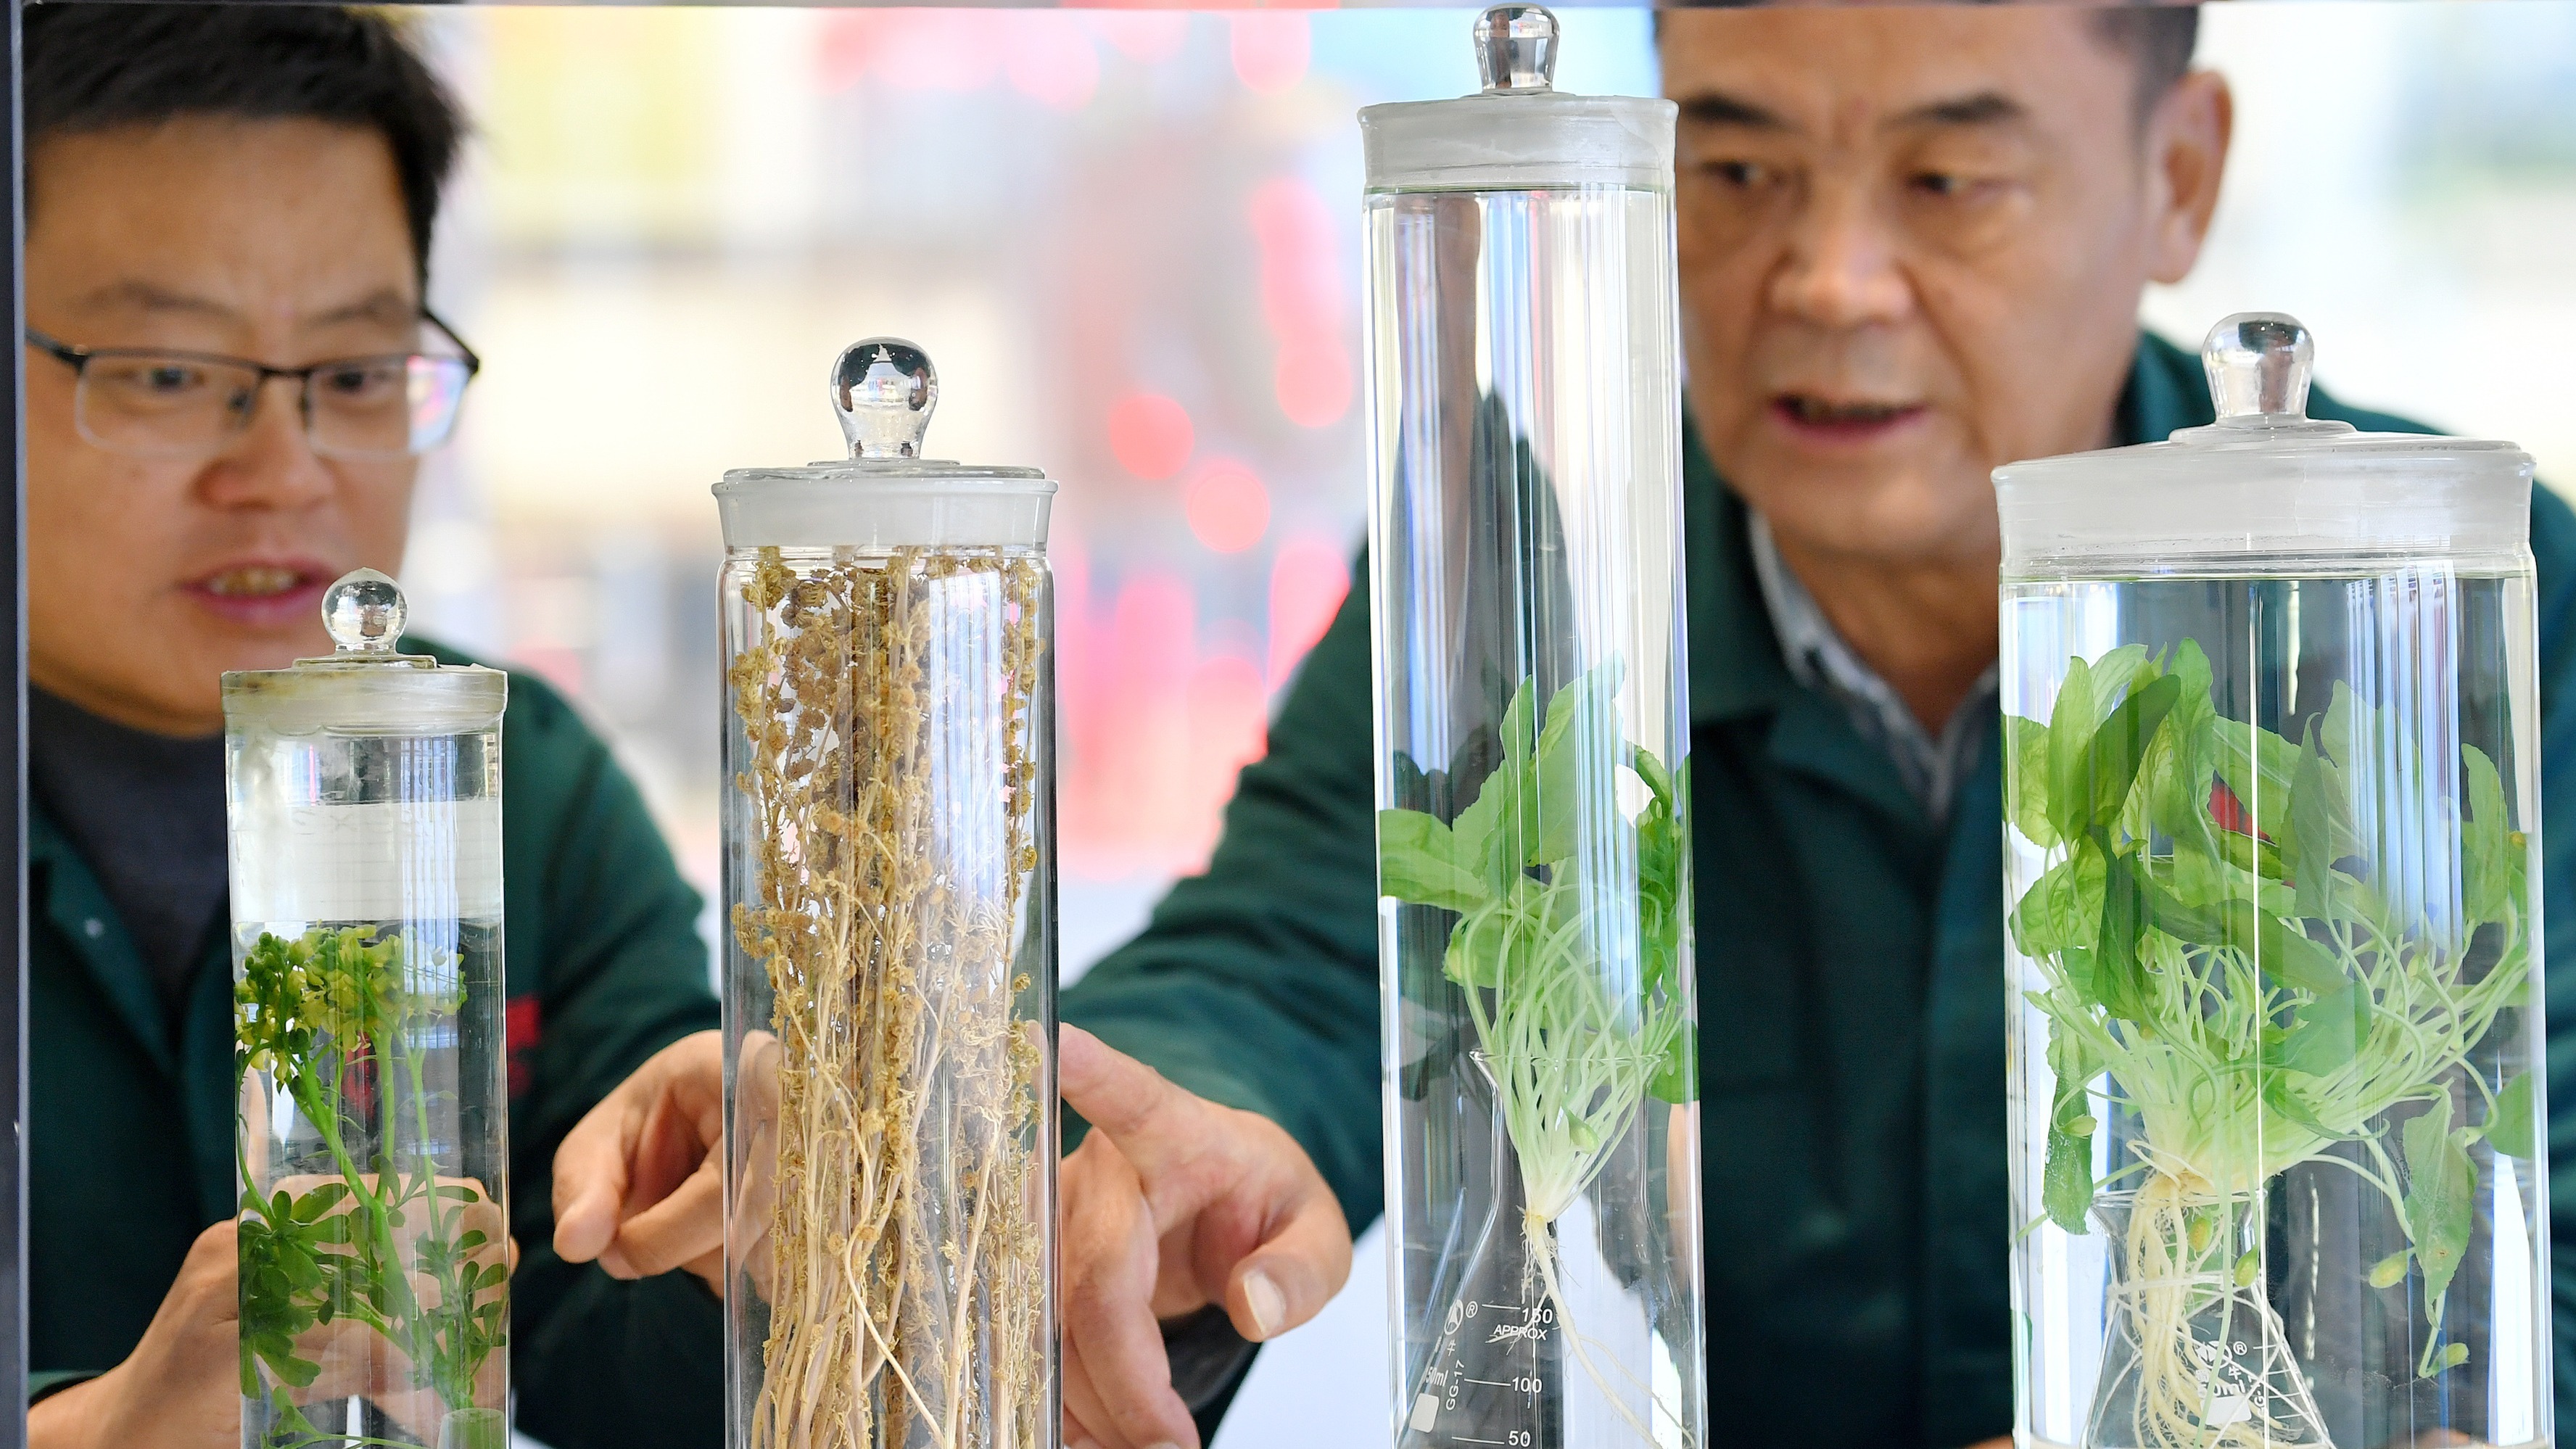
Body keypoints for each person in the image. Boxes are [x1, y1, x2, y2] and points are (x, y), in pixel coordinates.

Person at [558, 7, 2576, 1449]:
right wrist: (1157, 1147)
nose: (1827, 278)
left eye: (1950, 177)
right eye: (1738, 168)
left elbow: (2526, 1245)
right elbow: (1287, 942)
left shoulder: (2453, 599)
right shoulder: (1522, 563)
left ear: (2180, 172)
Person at [19, 9, 724, 1447]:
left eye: (352, 376)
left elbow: (621, 1364)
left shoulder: (520, 780)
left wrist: (742, 1230)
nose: (283, 471)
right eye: (167, 371)